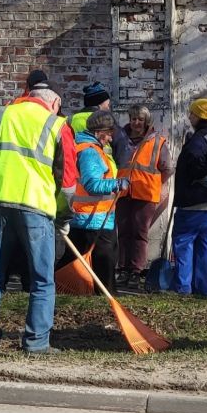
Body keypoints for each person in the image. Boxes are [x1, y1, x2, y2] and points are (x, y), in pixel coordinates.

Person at [0, 75, 67, 355]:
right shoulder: (56, 124)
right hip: (36, 210)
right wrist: (64, 215)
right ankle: (36, 343)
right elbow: (67, 180)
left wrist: (0, 178)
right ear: (54, 102)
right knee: (42, 279)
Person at [57, 110, 129, 293]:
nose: (111, 139)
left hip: (87, 217)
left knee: (75, 260)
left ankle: (63, 289)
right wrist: (117, 183)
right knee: (104, 263)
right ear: (99, 132)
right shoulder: (90, 152)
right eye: (109, 134)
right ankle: (106, 298)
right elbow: (92, 184)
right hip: (93, 220)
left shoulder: (83, 147)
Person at [171, 97, 207, 297]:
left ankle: (183, 289)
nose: (189, 117)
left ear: (198, 115)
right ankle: (203, 290)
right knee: (206, 243)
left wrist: (199, 176)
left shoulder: (199, 138)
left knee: (183, 242)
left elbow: (193, 160)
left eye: (191, 113)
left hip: (194, 200)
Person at [116, 105, 174, 289]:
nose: (136, 123)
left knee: (140, 233)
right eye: (133, 118)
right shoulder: (120, 139)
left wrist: (155, 184)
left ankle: (136, 270)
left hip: (146, 194)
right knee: (123, 232)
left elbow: (168, 168)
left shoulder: (157, 141)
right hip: (123, 192)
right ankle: (123, 268)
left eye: (140, 119)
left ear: (146, 121)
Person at [69, 82, 133, 165]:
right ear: (99, 105)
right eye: (107, 104)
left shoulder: (71, 120)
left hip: (77, 171)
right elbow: (123, 149)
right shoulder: (105, 120)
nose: (108, 108)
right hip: (104, 171)